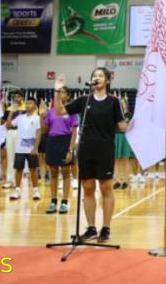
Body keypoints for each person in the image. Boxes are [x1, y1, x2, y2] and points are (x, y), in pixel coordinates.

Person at [54, 69, 127, 242]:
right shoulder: (84, 100)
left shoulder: (114, 101)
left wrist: (136, 121)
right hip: (86, 149)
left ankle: (106, 228)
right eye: (94, 76)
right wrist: (57, 91)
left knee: (106, 187)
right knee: (87, 188)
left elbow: (122, 126)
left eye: (101, 76)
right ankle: (91, 228)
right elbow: (60, 112)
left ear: (107, 81)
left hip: (105, 150)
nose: (97, 78)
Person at [40, 86, 78, 215]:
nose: (60, 94)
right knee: (53, 173)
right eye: (58, 92)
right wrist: (41, 116)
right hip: (52, 141)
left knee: (66, 173)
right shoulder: (51, 111)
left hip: (65, 141)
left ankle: (65, 202)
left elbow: (74, 132)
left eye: (63, 92)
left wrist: (70, 150)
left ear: (68, 95)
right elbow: (44, 131)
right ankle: (53, 201)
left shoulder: (71, 111)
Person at [5, 97, 42, 201]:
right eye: (27, 103)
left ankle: (36, 191)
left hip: (32, 149)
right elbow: (8, 125)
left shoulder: (37, 118)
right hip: (19, 149)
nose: (28, 105)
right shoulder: (20, 117)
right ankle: (17, 190)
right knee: (19, 169)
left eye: (30, 103)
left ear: (35, 106)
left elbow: (39, 133)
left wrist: (35, 148)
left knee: (33, 169)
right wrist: (11, 113)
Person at [2, 90, 26, 190]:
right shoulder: (9, 108)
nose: (16, 99)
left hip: (22, 133)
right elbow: (4, 123)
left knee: (21, 157)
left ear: (22, 97)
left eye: (18, 96)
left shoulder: (27, 108)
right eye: (15, 97)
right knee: (10, 156)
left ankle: (20, 180)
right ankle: (10, 180)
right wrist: (11, 112)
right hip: (11, 132)